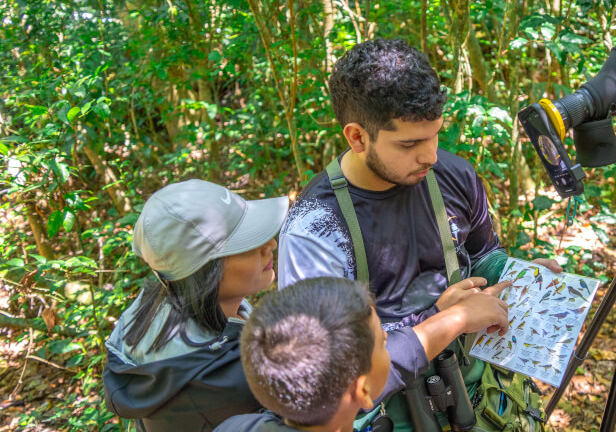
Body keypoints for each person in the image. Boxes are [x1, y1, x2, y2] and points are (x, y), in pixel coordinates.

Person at [277, 38, 561, 430]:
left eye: (435, 134)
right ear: (357, 137)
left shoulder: (453, 175)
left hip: (483, 397)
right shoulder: (317, 229)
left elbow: (480, 257)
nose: (430, 155)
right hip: (393, 414)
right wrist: (446, 321)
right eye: (409, 143)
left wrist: (515, 273)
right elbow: (330, 387)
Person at [102, 179, 290, 431]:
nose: (270, 244)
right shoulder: (226, 381)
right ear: (205, 272)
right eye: (248, 241)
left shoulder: (157, 307)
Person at [215, 276, 512, 432]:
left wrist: (445, 317)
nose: (389, 341)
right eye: (383, 343)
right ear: (364, 390)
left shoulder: (235, 426)